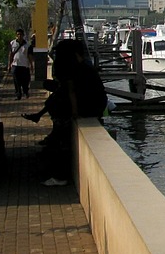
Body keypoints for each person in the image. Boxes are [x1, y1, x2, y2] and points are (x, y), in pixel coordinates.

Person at [26, 38, 107, 186]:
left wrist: (74, 114)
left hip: (88, 108)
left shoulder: (74, 69)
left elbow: (71, 92)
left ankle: (60, 175)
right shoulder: (85, 68)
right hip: (95, 107)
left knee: (61, 142)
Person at [8, 28, 33, 99]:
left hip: (25, 66)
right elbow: (10, 54)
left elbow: (30, 55)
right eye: (18, 34)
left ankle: (26, 91)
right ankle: (18, 94)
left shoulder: (27, 44)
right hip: (15, 65)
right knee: (16, 81)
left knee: (25, 81)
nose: (19, 36)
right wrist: (9, 65)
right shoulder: (12, 43)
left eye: (21, 34)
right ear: (16, 35)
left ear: (23, 35)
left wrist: (31, 65)